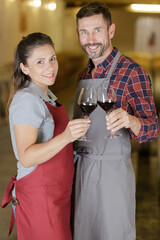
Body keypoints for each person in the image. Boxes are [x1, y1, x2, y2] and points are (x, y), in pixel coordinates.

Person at [72, 2, 159, 240]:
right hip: (80, 171)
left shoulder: (133, 72)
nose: (90, 39)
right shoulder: (83, 74)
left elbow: (152, 129)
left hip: (112, 173)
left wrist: (130, 120)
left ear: (111, 31)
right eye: (84, 31)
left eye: (97, 30)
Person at [1, 32, 90, 240]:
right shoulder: (27, 100)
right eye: (39, 62)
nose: (50, 67)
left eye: (52, 58)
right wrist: (67, 137)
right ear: (24, 68)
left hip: (55, 193)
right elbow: (26, 156)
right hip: (39, 196)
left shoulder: (47, 95)